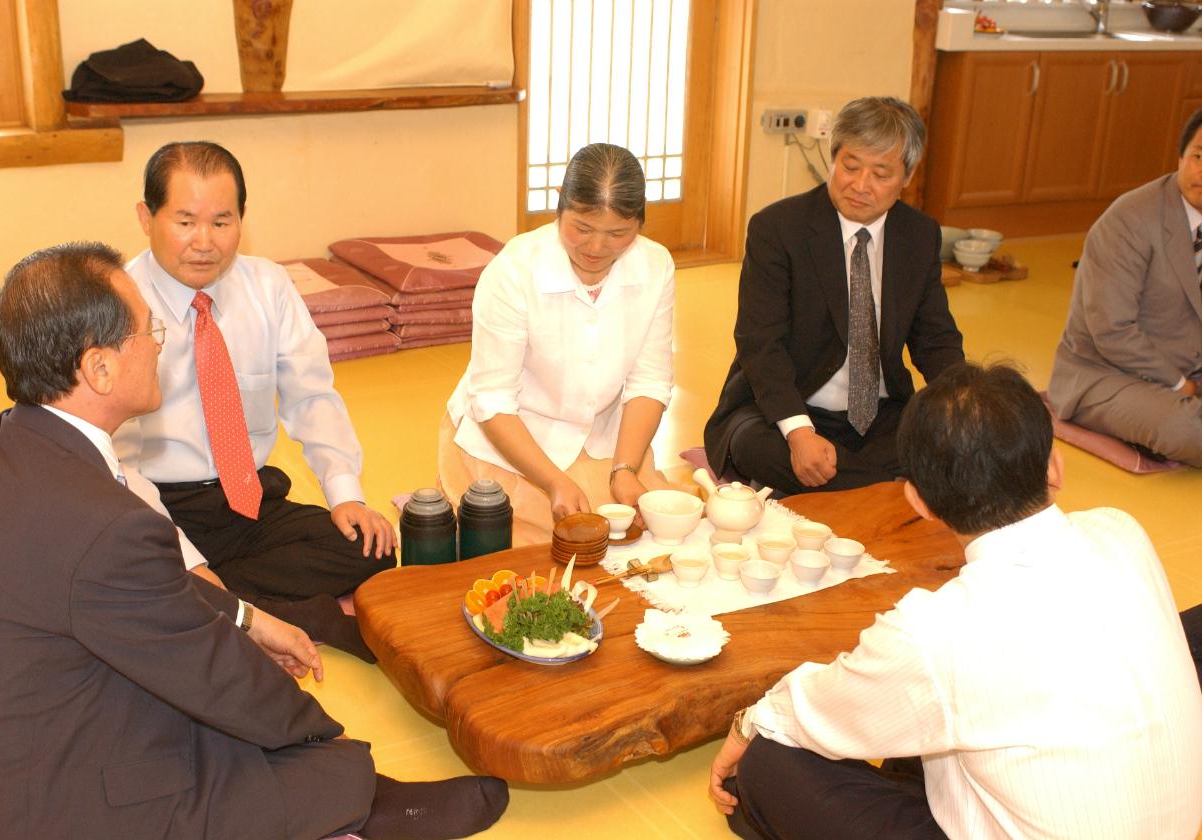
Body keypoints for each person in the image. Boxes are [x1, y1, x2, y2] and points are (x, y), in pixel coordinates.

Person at [0, 242, 509, 840]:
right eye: (147, 330)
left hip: (13, 758)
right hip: (54, 809)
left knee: (213, 704)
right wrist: (319, 733)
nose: (160, 341)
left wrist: (246, 618)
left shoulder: (3, 447)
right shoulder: (104, 524)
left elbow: (137, 594)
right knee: (250, 729)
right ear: (98, 369)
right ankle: (366, 799)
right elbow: (213, 672)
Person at [707, 362, 1202, 840]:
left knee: (768, 762)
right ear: (1055, 465)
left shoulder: (936, 631)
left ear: (918, 501)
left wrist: (748, 724)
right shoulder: (1121, 531)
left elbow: (814, 709)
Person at [113, 141, 394, 659]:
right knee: (127, 576)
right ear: (145, 218)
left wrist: (345, 493)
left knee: (372, 550)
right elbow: (112, 459)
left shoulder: (268, 286)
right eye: (185, 221)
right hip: (157, 507)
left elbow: (312, 395)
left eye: (222, 222)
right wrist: (181, 555)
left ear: (243, 218)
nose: (205, 242)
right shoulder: (116, 304)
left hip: (250, 499)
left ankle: (221, 604)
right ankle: (284, 612)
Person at [704, 96, 964, 495]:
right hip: (786, 410)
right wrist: (799, 433)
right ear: (833, 157)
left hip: (879, 415)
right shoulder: (778, 229)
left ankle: (853, 482)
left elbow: (936, 339)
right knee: (752, 445)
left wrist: (968, 409)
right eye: (850, 166)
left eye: (881, 173)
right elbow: (761, 344)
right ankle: (888, 486)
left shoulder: (918, 234)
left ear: (907, 177)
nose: (860, 186)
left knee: (949, 443)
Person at [440, 142, 676, 545]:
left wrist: (624, 469)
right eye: (581, 228)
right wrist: (552, 482)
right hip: (511, 441)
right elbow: (492, 399)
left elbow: (649, 382)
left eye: (618, 233)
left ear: (639, 223)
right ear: (559, 207)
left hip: (608, 441)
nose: (597, 248)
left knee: (648, 538)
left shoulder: (655, 265)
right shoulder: (514, 270)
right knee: (532, 559)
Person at [1048, 107, 1202, 466]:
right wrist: (1181, 385)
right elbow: (1112, 331)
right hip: (1104, 374)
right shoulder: (1129, 219)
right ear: (1180, 157)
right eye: (1198, 156)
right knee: (1185, 427)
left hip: (1189, 365)